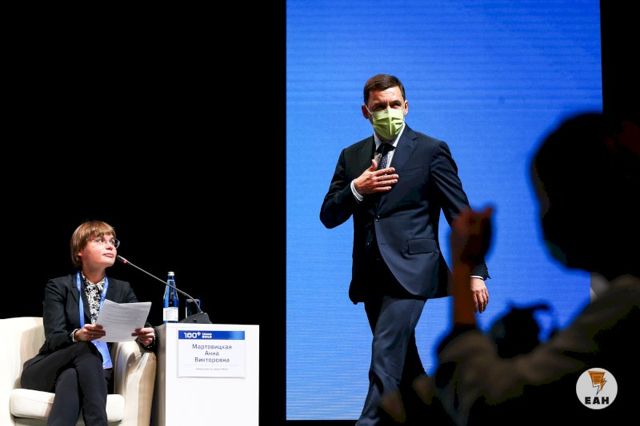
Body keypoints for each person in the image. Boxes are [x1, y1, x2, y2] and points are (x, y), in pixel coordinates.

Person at [435, 112, 639, 424]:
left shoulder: (626, 306)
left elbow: (488, 403)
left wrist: (464, 266)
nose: (544, 220)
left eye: (546, 200)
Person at [320, 73, 490, 425]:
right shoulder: (352, 156)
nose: (388, 112)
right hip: (371, 275)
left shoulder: (430, 150)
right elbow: (329, 216)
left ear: (406, 107)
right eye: (379, 106)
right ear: (366, 111)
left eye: (395, 104)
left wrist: (475, 271)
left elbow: (460, 213)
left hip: (414, 269)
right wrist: (357, 188)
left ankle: (368, 423)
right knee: (407, 369)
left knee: (385, 355)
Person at [20, 220, 156, 426]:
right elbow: (54, 338)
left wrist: (147, 338)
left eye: (112, 241)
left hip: (96, 374)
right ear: (79, 251)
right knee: (85, 347)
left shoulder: (122, 290)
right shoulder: (59, 286)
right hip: (48, 369)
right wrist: (78, 335)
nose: (110, 246)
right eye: (100, 240)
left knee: (71, 377)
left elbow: (141, 325)